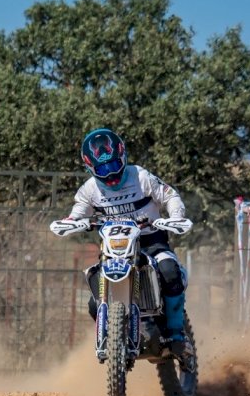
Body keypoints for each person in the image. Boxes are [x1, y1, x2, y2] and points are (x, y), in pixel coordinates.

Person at [63, 127, 192, 358]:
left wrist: (175, 217)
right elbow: (79, 210)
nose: (110, 173)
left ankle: (176, 334)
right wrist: (72, 222)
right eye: (102, 168)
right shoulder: (90, 189)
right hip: (114, 248)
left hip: (151, 241)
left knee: (169, 270)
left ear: (122, 157)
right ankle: (113, 336)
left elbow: (170, 195)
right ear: (91, 168)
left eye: (113, 165)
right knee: (94, 303)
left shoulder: (141, 176)